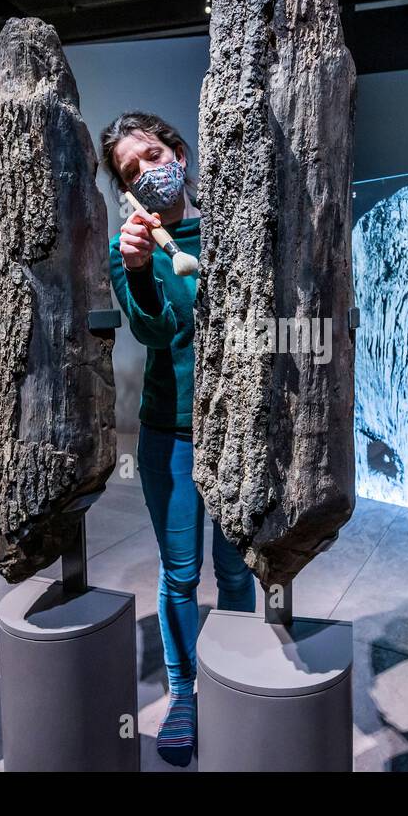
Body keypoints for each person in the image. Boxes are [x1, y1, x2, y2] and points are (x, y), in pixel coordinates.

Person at [100, 111, 257, 767]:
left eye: (152, 154)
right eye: (130, 170)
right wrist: (138, 271)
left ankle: (244, 668)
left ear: (180, 154)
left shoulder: (233, 231)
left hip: (239, 427)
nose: (145, 171)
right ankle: (185, 689)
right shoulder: (127, 249)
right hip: (170, 430)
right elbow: (156, 333)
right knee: (182, 571)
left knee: (236, 564)